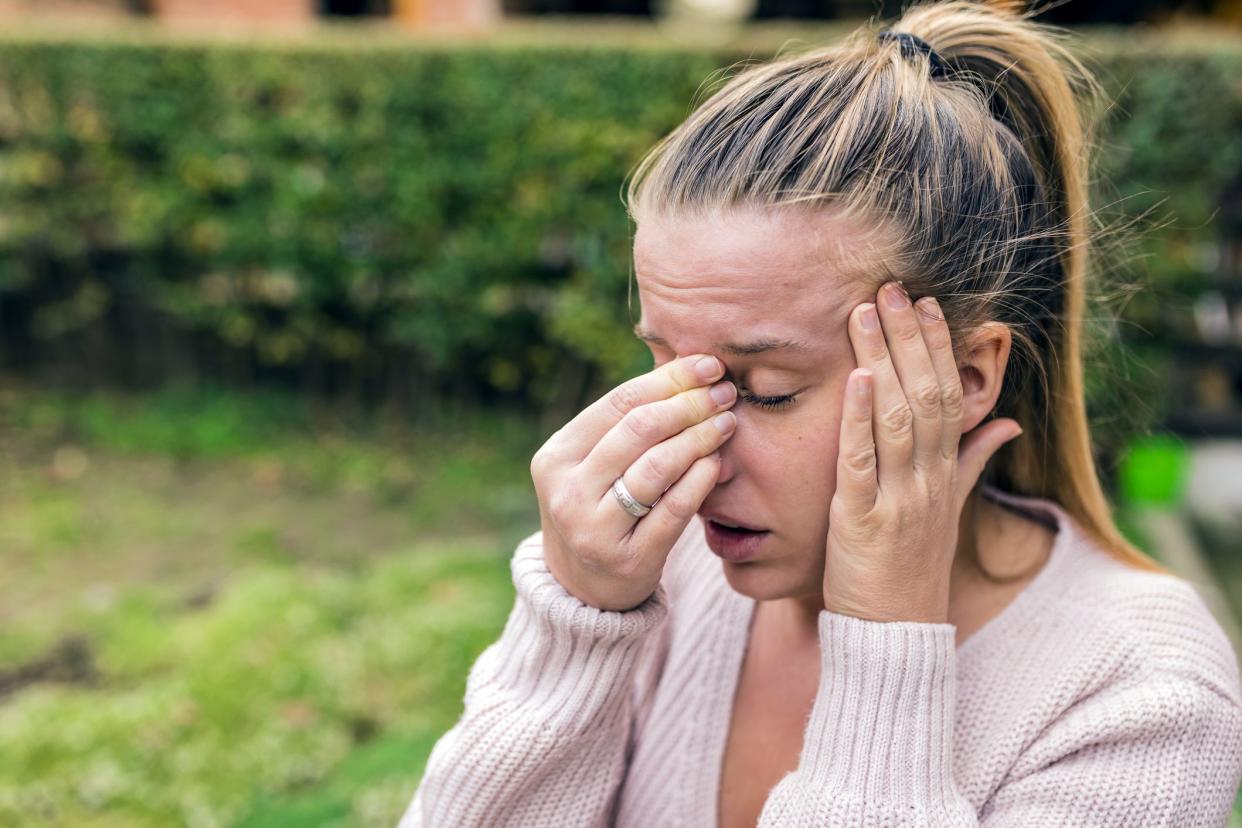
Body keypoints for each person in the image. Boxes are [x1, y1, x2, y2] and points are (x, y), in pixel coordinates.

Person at [398, 2, 1242, 825]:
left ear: (969, 375)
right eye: (667, 369)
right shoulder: (661, 576)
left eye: (766, 388)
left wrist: (883, 644)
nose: (696, 452)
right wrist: (577, 627)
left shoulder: (1141, 696)